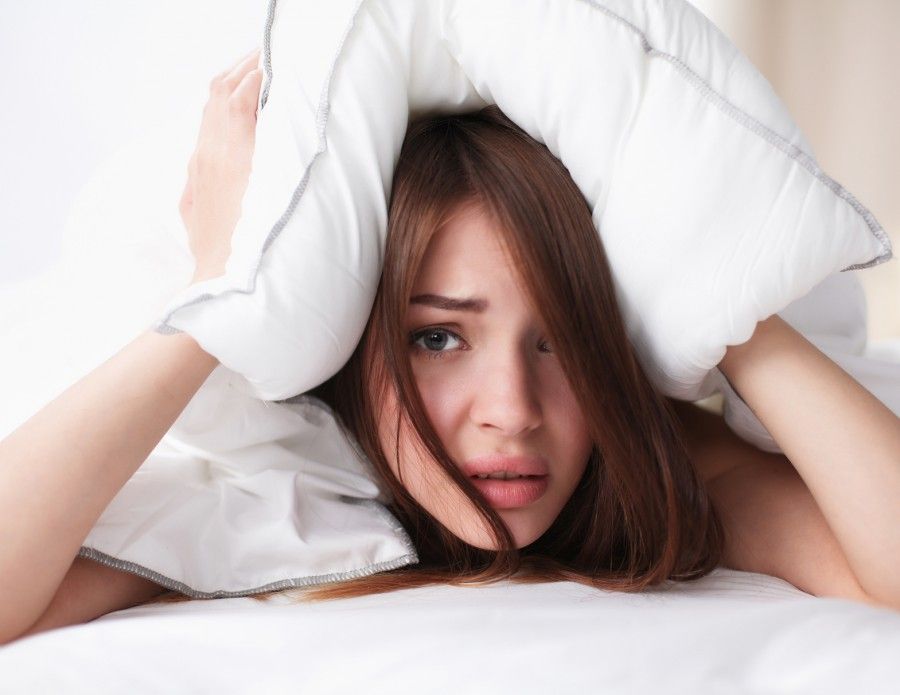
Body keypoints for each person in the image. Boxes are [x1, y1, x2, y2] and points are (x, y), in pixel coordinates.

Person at [2, 48, 898, 645]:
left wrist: (731, 303)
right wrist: (221, 299)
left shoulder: (651, 471)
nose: (511, 410)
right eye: (438, 337)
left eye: (561, 340)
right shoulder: (276, 489)